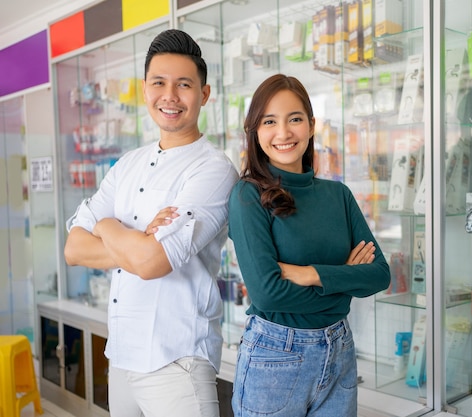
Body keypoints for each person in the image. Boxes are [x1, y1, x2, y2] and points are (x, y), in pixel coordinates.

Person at [64, 29, 238, 417]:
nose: (170, 96)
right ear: (145, 90)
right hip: (122, 358)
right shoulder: (127, 164)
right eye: (159, 83)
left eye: (184, 85)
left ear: (204, 95)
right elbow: (73, 249)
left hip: (177, 361)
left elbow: (152, 263)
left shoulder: (213, 170)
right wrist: (138, 240)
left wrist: (108, 227)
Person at [227, 74, 391, 417]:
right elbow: (267, 294)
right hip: (274, 354)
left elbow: (378, 275)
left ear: (312, 125)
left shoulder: (338, 195)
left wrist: (310, 274)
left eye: (295, 119)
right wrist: (345, 278)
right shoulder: (248, 196)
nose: (283, 133)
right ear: (255, 131)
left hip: (339, 349)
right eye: (269, 121)